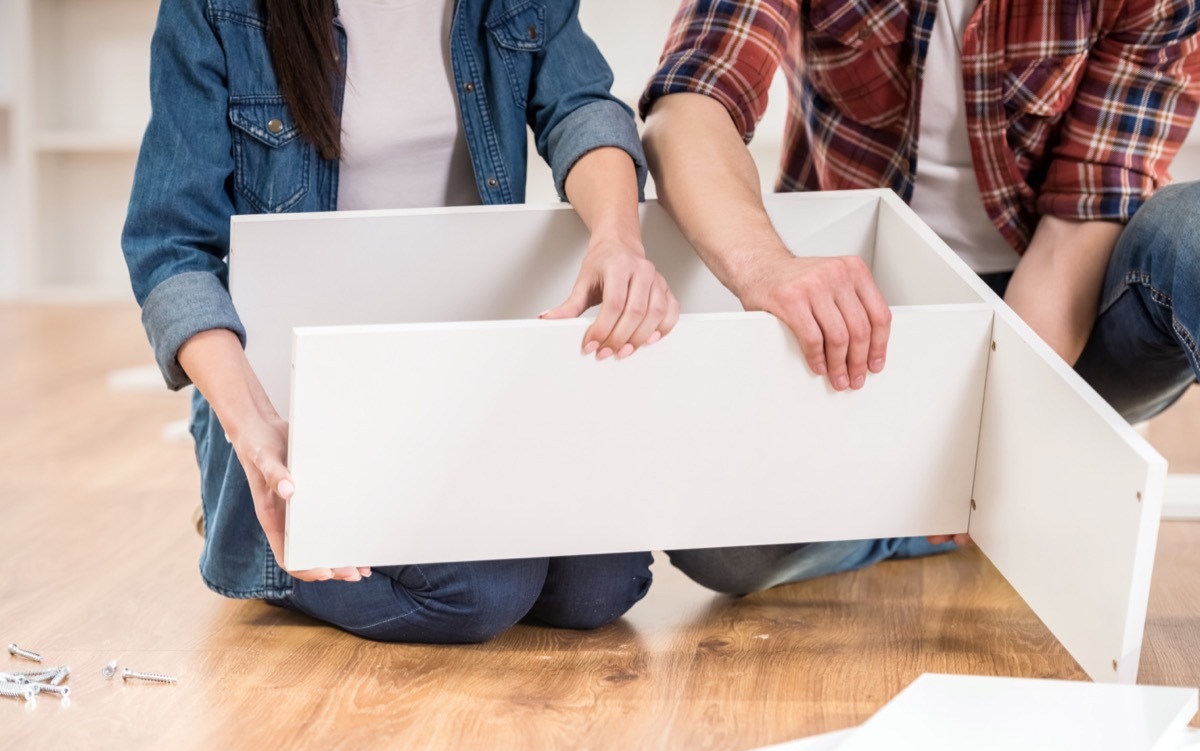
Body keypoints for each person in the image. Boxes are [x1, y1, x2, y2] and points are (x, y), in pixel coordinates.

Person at [122, 0, 680, 643]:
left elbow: (580, 106)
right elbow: (169, 245)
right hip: (299, 394)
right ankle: (244, 532)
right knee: (479, 591)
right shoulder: (217, 10)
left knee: (603, 584)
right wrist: (253, 430)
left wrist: (618, 237)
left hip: (463, 366)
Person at [639, 0, 1200, 594]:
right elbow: (689, 105)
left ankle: (979, 491)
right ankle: (964, 509)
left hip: (1062, 316)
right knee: (718, 546)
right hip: (862, 321)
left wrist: (996, 439)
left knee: (1190, 231)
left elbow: (1080, 220)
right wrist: (766, 266)